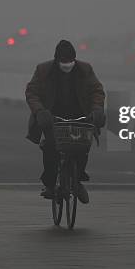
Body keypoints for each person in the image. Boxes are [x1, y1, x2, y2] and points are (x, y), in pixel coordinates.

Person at [25, 39, 105, 203]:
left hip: (79, 114)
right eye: (64, 61)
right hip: (52, 115)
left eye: (70, 61)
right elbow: (32, 93)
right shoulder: (43, 70)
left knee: (83, 145)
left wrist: (97, 109)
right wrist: (40, 111)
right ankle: (49, 184)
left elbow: (96, 90)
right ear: (56, 60)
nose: (67, 65)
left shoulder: (85, 69)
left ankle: (77, 179)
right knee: (50, 146)